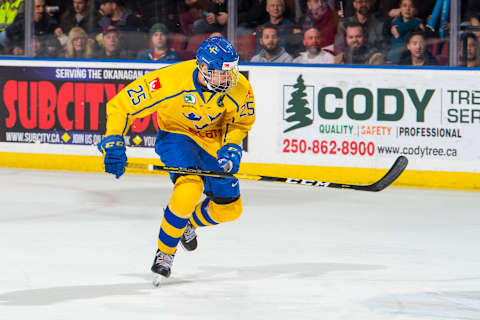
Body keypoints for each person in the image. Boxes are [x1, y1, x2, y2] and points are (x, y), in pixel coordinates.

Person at [97, 36, 256, 279]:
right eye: (220, 72)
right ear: (202, 67)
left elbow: (240, 122)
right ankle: (164, 254)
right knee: (189, 188)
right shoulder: (169, 81)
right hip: (176, 136)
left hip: (212, 141)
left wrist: (232, 146)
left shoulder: (239, 87)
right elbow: (121, 106)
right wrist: (114, 139)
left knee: (230, 209)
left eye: (230, 71)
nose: (228, 78)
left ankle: (187, 223)